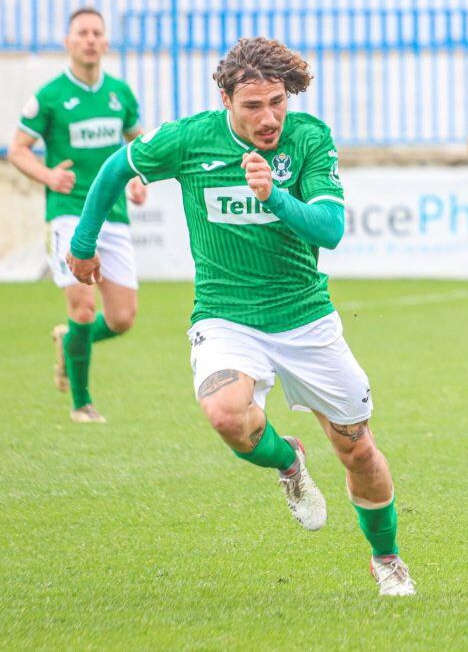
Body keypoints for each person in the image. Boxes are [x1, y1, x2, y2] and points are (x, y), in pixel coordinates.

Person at [65, 37, 415, 596]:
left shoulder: (308, 139)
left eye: (277, 101)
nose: (269, 116)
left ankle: (387, 558)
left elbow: (330, 229)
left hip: (305, 318)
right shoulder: (188, 139)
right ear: (226, 100)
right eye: (253, 106)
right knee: (228, 414)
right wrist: (84, 242)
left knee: (358, 449)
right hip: (225, 316)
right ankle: (288, 461)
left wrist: (273, 194)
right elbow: (113, 168)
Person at [8, 7, 146, 423]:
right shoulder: (50, 97)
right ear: (68, 42)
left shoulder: (120, 93)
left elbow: (138, 144)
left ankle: (70, 341)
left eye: (96, 33)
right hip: (69, 212)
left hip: (114, 214)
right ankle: (82, 404)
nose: (89, 39)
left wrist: (140, 179)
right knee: (83, 306)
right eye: (81, 33)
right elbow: (16, 149)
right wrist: (48, 175)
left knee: (122, 319)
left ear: (105, 43)